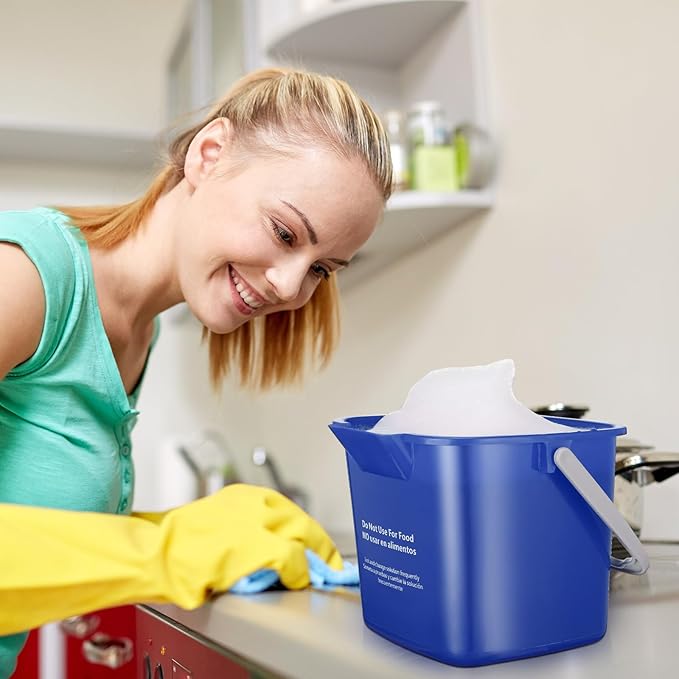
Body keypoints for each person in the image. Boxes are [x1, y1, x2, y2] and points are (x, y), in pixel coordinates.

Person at [0, 67, 392, 676]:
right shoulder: (24, 276)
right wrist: (163, 550)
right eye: (284, 232)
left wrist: (188, 530)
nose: (291, 287)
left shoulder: (136, 332)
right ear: (209, 154)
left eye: (322, 269)